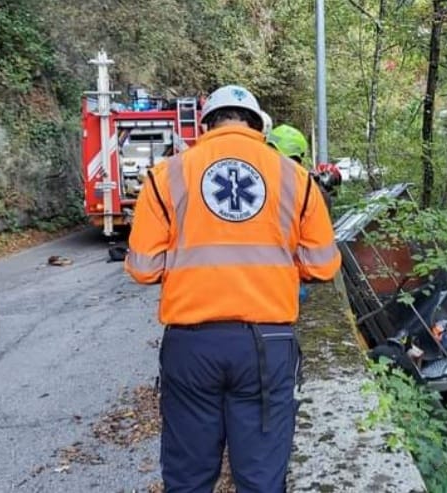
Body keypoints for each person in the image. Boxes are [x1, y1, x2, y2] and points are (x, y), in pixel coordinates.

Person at [124, 84, 341, 493]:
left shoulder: (166, 175)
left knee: (188, 479)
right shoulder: (296, 179)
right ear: (259, 125)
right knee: (261, 481)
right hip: (268, 344)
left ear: (206, 124)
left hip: (191, 347)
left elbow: (142, 268)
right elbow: (324, 265)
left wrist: (190, 268)